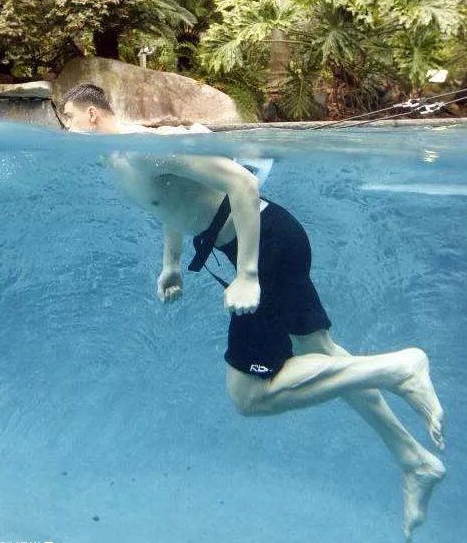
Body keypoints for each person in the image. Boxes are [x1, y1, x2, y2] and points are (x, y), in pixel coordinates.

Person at [61, 83, 446, 541]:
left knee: (250, 396)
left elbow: (241, 182)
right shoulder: (116, 159)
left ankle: (399, 368)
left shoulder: (143, 148)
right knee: (325, 357)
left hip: (267, 246)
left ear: (90, 115)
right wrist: (171, 263)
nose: (66, 131)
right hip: (271, 238)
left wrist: (247, 275)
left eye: (68, 120)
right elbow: (169, 203)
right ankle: (414, 461)